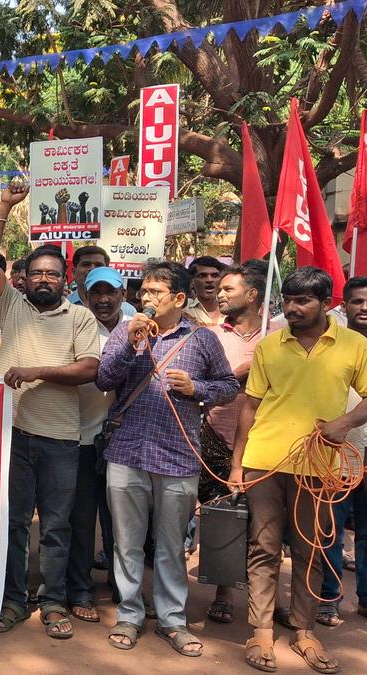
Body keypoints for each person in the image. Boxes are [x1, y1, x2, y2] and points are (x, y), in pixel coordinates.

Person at [0, 183, 101, 640]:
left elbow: (89, 368)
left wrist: (36, 371)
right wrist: (6, 205)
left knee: (56, 526)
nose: (45, 279)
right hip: (11, 436)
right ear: (22, 279)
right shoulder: (9, 306)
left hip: (62, 439)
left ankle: (52, 602)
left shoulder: (80, 318)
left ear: (65, 279)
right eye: (37, 273)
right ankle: (11, 600)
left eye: (53, 273)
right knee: (11, 524)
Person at [96, 261, 237, 657]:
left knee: (172, 544)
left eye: (155, 293)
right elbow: (105, 379)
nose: (146, 299)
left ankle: (172, 619)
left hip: (178, 455)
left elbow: (227, 387)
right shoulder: (127, 331)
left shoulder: (203, 340)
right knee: (126, 543)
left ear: (179, 298)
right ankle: (129, 614)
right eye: (143, 293)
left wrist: (198, 387)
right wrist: (129, 343)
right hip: (126, 451)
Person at [231, 267, 367, 675]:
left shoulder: (355, 345)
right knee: (264, 546)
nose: (292, 308)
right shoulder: (271, 347)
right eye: (288, 300)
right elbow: (250, 407)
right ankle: (260, 631)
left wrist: (342, 424)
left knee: (311, 549)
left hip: (319, 465)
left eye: (302, 301)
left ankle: (305, 630)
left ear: (328, 303)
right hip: (265, 461)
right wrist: (237, 463)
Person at [200, 262, 270, 626]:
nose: (220, 294)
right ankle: (223, 590)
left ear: (254, 295)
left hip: (266, 440)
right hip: (215, 435)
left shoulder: (279, 335)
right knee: (221, 517)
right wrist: (239, 374)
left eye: (229, 289)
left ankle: (267, 604)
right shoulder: (209, 334)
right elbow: (202, 382)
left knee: (266, 526)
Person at [66, 266, 125, 624]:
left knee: (123, 522)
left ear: (123, 294)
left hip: (125, 442)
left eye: (110, 292)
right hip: (84, 438)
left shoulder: (138, 330)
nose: (103, 299)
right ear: (84, 296)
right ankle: (81, 588)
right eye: (96, 293)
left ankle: (124, 589)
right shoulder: (74, 326)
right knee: (83, 520)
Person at [317, 276, 367, 626]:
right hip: (337, 453)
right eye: (357, 301)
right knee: (329, 530)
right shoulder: (328, 345)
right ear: (344, 306)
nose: (364, 307)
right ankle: (328, 598)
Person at [66, 245, 136, 316]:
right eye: (86, 264)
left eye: (98, 265)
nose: (92, 269)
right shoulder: (63, 305)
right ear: (74, 272)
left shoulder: (127, 310)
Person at [186, 256, 226, 327]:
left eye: (214, 275)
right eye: (202, 276)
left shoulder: (231, 309)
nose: (209, 280)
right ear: (192, 281)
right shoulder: (183, 310)